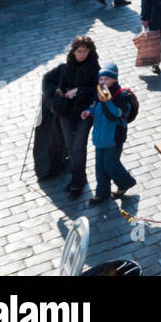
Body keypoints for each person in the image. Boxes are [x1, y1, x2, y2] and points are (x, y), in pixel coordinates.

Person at [43, 36, 99, 199]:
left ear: (90, 51)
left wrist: (77, 91)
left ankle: (77, 183)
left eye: (85, 51)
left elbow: (94, 89)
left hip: (84, 112)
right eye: (79, 51)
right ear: (73, 51)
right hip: (66, 112)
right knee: (70, 147)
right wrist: (60, 92)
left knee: (78, 147)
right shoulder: (67, 66)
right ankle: (79, 179)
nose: (82, 55)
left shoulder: (94, 67)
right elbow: (55, 83)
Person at [85, 61, 136, 204]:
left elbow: (116, 114)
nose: (102, 81)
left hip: (114, 137)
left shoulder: (122, 96)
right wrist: (89, 112)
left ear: (115, 79)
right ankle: (102, 192)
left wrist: (106, 100)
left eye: (106, 79)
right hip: (100, 136)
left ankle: (126, 182)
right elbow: (96, 109)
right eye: (101, 79)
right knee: (100, 166)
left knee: (110, 164)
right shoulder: (99, 93)